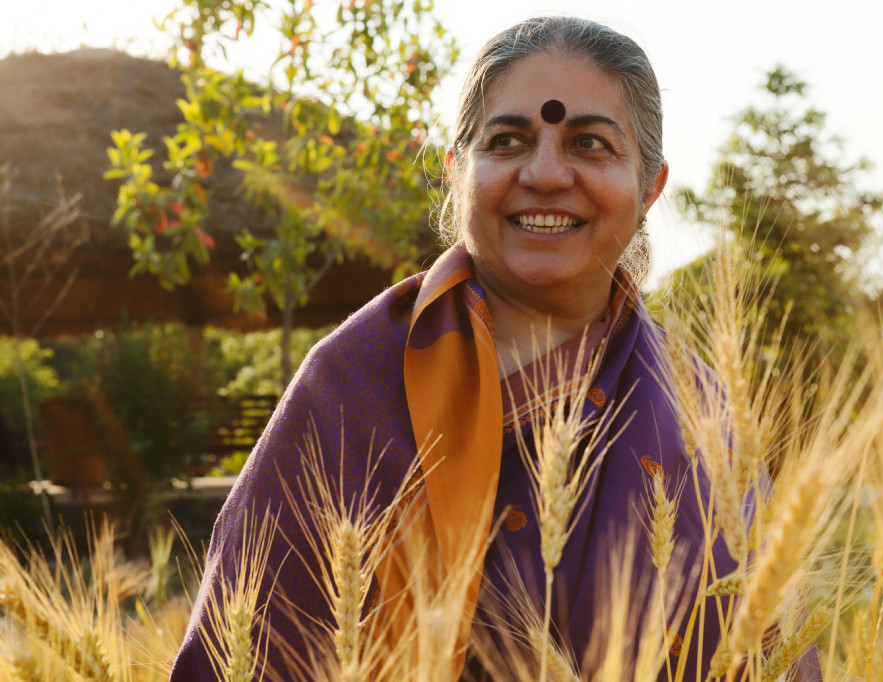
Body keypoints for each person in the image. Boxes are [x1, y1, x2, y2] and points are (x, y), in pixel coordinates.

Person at [172, 16, 821, 681]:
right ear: (458, 171)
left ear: (650, 186)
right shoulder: (353, 385)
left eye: (590, 143)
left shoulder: (705, 415)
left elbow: (775, 652)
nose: (543, 173)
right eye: (507, 140)